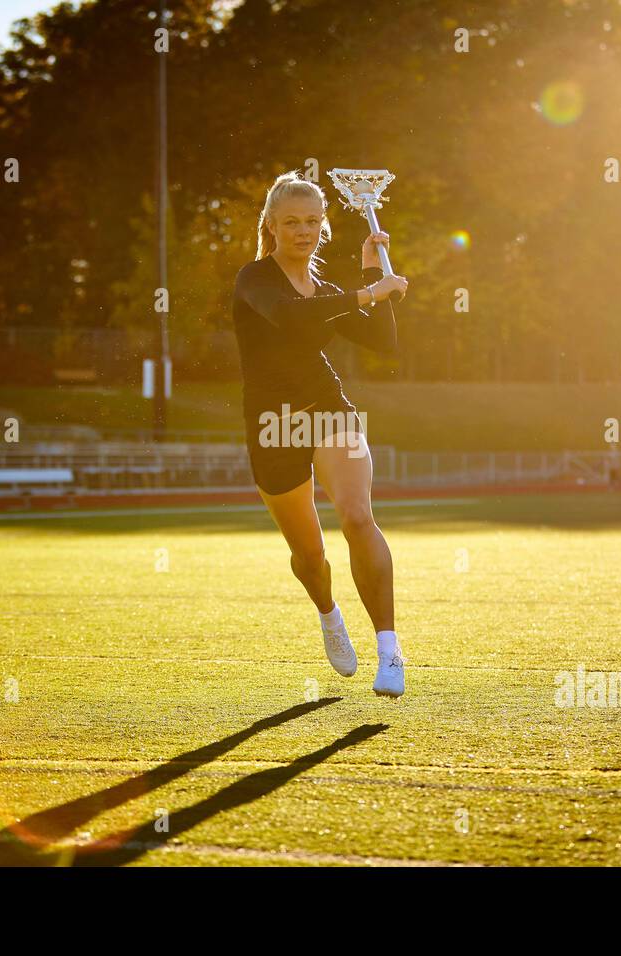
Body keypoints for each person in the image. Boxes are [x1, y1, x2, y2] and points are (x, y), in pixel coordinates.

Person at [231, 170, 409, 697]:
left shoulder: (330, 289)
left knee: (356, 515)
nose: (303, 231)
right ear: (271, 225)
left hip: (329, 410)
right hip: (274, 427)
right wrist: (368, 291)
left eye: (312, 220)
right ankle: (330, 616)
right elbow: (292, 319)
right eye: (291, 222)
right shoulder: (255, 280)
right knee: (309, 555)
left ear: (324, 225)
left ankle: (389, 649)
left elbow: (384, 342)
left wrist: (372, 272)